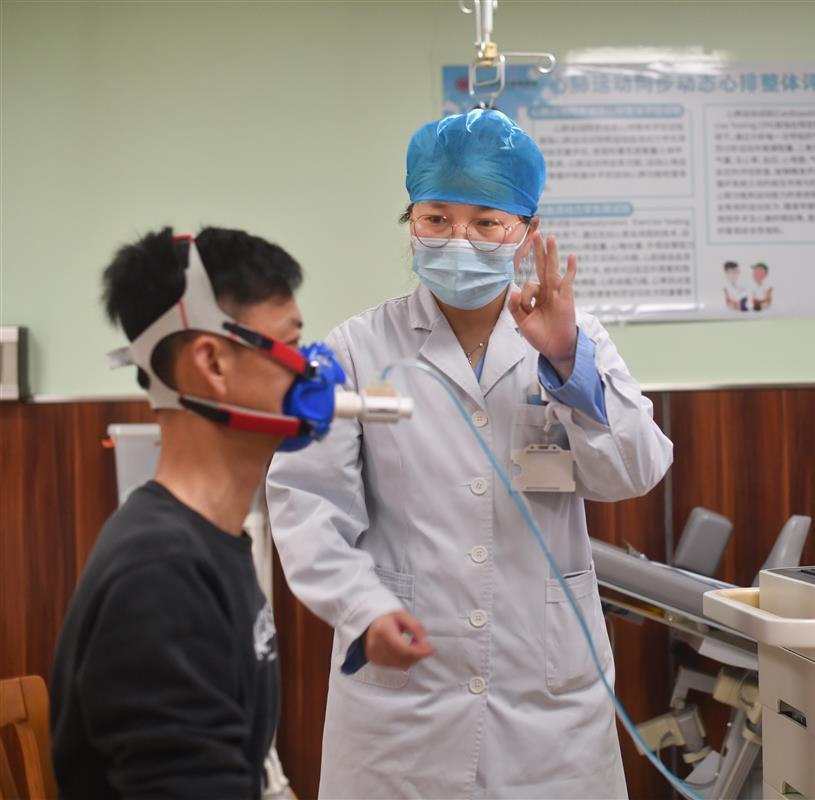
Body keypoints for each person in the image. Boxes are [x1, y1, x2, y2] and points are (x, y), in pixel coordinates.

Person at [266, 108, 673, 799]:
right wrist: (361, 606)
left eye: (486, 222)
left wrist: (567, 363)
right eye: (437, 218)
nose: (459, 239)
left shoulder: (577, 339)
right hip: (404, 704)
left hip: (546, 697)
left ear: (526, 233)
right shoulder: (355, 348)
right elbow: (306, 502)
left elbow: (633, 471)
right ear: (412, 222)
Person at [50, 226, 336, 798]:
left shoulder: (209, 541)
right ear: (213, 363)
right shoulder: (160, 576)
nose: (313, 369)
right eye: (293, 343)